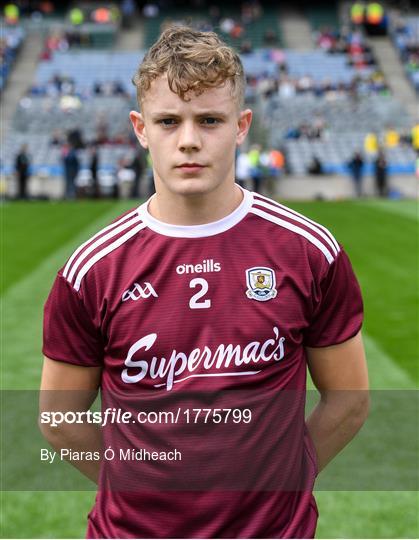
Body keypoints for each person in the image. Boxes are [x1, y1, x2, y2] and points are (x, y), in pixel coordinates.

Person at [41, 26, 369, 539]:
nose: (189, 140)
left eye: (209, 120)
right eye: (168, 121)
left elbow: (349, 401)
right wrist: (132, 484)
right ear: (140, 128)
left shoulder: (309, 251)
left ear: (241, 126)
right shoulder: (92, 270)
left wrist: (290, 477)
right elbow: (58, 419)